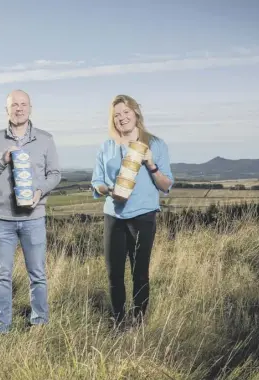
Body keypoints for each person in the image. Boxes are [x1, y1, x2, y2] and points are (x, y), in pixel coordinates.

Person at [0, 89, 61, 334]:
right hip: (2, 219)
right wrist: (2, 161)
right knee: (2, 275)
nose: (19, 108)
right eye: (14, 105)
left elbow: (55, 174)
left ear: (30, 108)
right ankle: (2, 326)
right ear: (7, 110)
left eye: (23, 104)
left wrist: (39, 192)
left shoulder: (45, 139)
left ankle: (39, 323)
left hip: (34, 219)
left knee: (38, 274)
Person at [91, 94, 173, 328]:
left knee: (140, 274)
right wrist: (105, 188)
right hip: (114, 215)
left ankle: (138, 324)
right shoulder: (106, 146)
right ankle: (118, 323)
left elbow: (166, 184)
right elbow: (96, 180)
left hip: (143, 216)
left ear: (136, 113)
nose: (122, 118)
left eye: (126, 112)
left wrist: (151, 164)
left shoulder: (155, 144)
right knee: (114, 274)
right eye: (117, 115)